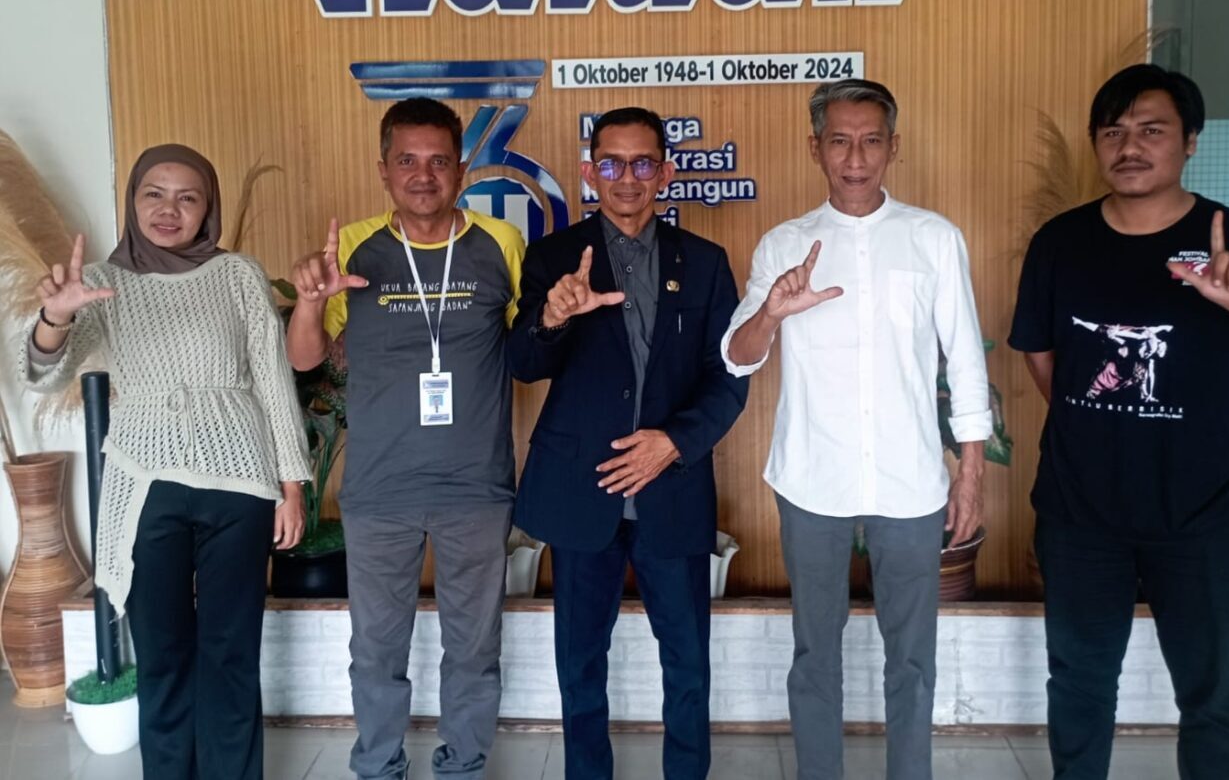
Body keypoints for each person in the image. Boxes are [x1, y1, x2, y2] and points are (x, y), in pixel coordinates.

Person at [1010, 64, 1229, 779]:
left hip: (1203, 516)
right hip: (1081, 515)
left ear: (1190, 141)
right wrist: (1099, 422)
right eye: (1113, 131)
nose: (1129, 146)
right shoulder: (1060, 242)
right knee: (1079, 685)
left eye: (1151, 130)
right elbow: (1041, 352)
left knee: (1213, 697)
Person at [722, 79, 992, 780]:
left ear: (893, 147)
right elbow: (738, 355)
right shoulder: (785, 244)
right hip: (813, 477)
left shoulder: (933, 238)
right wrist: (773, 311)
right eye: (839, 141)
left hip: (910, 479)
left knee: (912, 655)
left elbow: (965, 357)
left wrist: (970, 472)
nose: (855, 157)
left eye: (871, 141)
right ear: (815, 148)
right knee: (816, 651)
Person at [19, 144, 312, 780]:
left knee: (232, 652)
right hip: (143, 485)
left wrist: (292, 485)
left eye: (187, 197)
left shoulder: (237, 274)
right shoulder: (105, 282)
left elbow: (273, 380)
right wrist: (55, 317)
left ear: (208, 209)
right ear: (133, 201)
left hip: (238, 480)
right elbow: (46, 374)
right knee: (162, 653)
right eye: (154, 193)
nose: (168, 209)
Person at [287, 97, 524, 780]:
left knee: (474, 648)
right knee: (377, 649)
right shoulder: (354, 247)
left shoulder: (500, 244)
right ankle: (378, 766)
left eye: (439, 161)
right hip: (379, 488)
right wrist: (310, 302)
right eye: (408, 160)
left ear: (462, 169)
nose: (424, 175)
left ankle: (464, 767)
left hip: (475, 486)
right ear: (384, 169)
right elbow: (304, 359)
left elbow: (529, 344)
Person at [508, 106, 747, 780]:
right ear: (590, 173)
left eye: (643, 163)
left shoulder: (705, 263)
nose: (627, 178)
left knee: (688, 664)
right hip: (583, 490)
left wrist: (673, 442)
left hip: (671, 487)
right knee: (581, 665)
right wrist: (552, 317)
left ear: (664, 173)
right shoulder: (555, 258)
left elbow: (730, 376)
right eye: (611, 163)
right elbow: (524, 363)